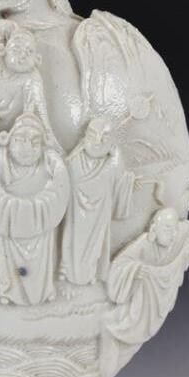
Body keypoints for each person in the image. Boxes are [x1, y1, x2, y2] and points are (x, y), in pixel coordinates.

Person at [0, 113, 70, 305]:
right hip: (6, 225)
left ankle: (42, 290)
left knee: (40, 259)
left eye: (35, 142)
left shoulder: (51, 162)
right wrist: (11, 209)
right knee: (5, 257)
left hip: (41, 227)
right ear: (9, 140)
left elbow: (59, 189)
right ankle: (6, 290)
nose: (27, 148)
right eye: (19, 141)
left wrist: (38, 207)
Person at [99, 207, 189, 377]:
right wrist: (135, 270)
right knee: (113, 329)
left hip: (148, 305)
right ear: (154, 228)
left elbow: (188, 231)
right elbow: (121, 264)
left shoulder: (177, 240)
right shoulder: (143, 244)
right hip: (136, 307)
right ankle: (100, 371)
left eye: (174, 229)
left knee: (114, 332)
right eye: (167, 228)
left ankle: (100, 372)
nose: (172, 234)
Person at [60, 117, 144, 285]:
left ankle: (91, 274)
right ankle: (67, 271)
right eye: (93, 134)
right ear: (85, 136)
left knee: (95, 244)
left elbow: (120, 180)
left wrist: (129, 182)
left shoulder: (112, 162)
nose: (98, 141)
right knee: (74, 241)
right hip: (76, 213)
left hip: (99, 215)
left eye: (104, 137)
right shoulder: (74, 161)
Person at [0, 19, 61, 151]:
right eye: (16, 49)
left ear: (37, 59)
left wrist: (46, 132)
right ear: (2, 50)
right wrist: (10, 25)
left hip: (22, 138)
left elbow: (39, 112)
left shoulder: (31, 79)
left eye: (29, 52)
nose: (22, 55)